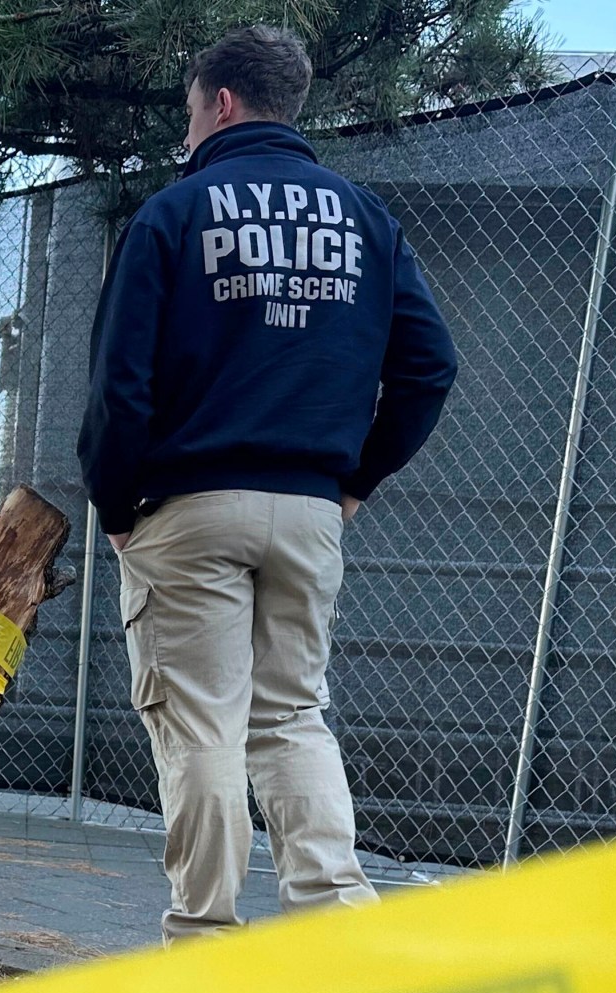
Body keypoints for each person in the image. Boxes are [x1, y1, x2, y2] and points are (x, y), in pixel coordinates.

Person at [80, 24, 459, 942]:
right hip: (307, 509)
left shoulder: (173, 215)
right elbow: (429, 367)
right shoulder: (368, 221)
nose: (185, 132)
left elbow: (118, 385)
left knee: (202, 725)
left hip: (190, 507)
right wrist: (355, 482)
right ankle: (334, 929)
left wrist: (115, 503)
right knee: (291, 718)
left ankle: (205, 938)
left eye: (187, 112)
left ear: (219, 103)